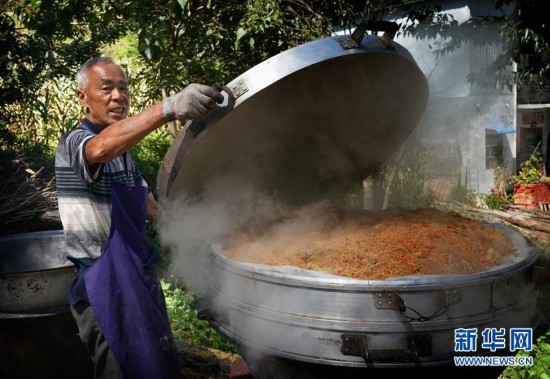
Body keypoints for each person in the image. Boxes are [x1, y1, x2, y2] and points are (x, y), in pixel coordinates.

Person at [55, 57, 223, 378]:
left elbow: (154, 211)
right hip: (104, 288)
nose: (118, 96)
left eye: (123, 88)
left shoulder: (125, 155)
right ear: (83, 98)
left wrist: (207, 240)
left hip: (138, 278)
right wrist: (171, 107)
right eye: (106, 89)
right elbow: (100, 149)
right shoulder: (75, 143)